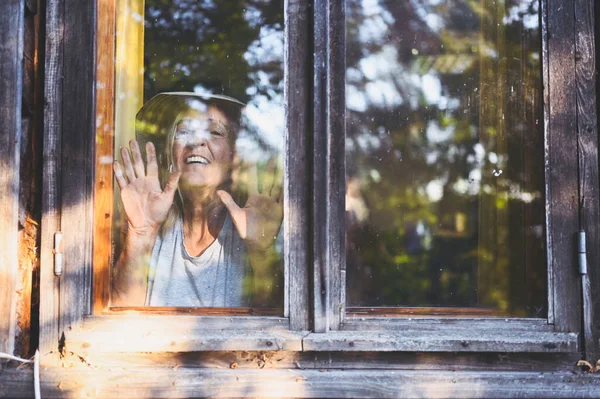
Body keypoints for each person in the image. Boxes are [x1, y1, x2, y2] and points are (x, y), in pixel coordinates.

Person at [111, 92, 283, 308]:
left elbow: (275, 328)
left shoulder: (253, 228)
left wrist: (262, 252)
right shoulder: (153, 227)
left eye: (214, 132)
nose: (196, 141)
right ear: (171, 154)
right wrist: (141, 235)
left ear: (233, 157)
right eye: (184, 131)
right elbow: (122, 317)